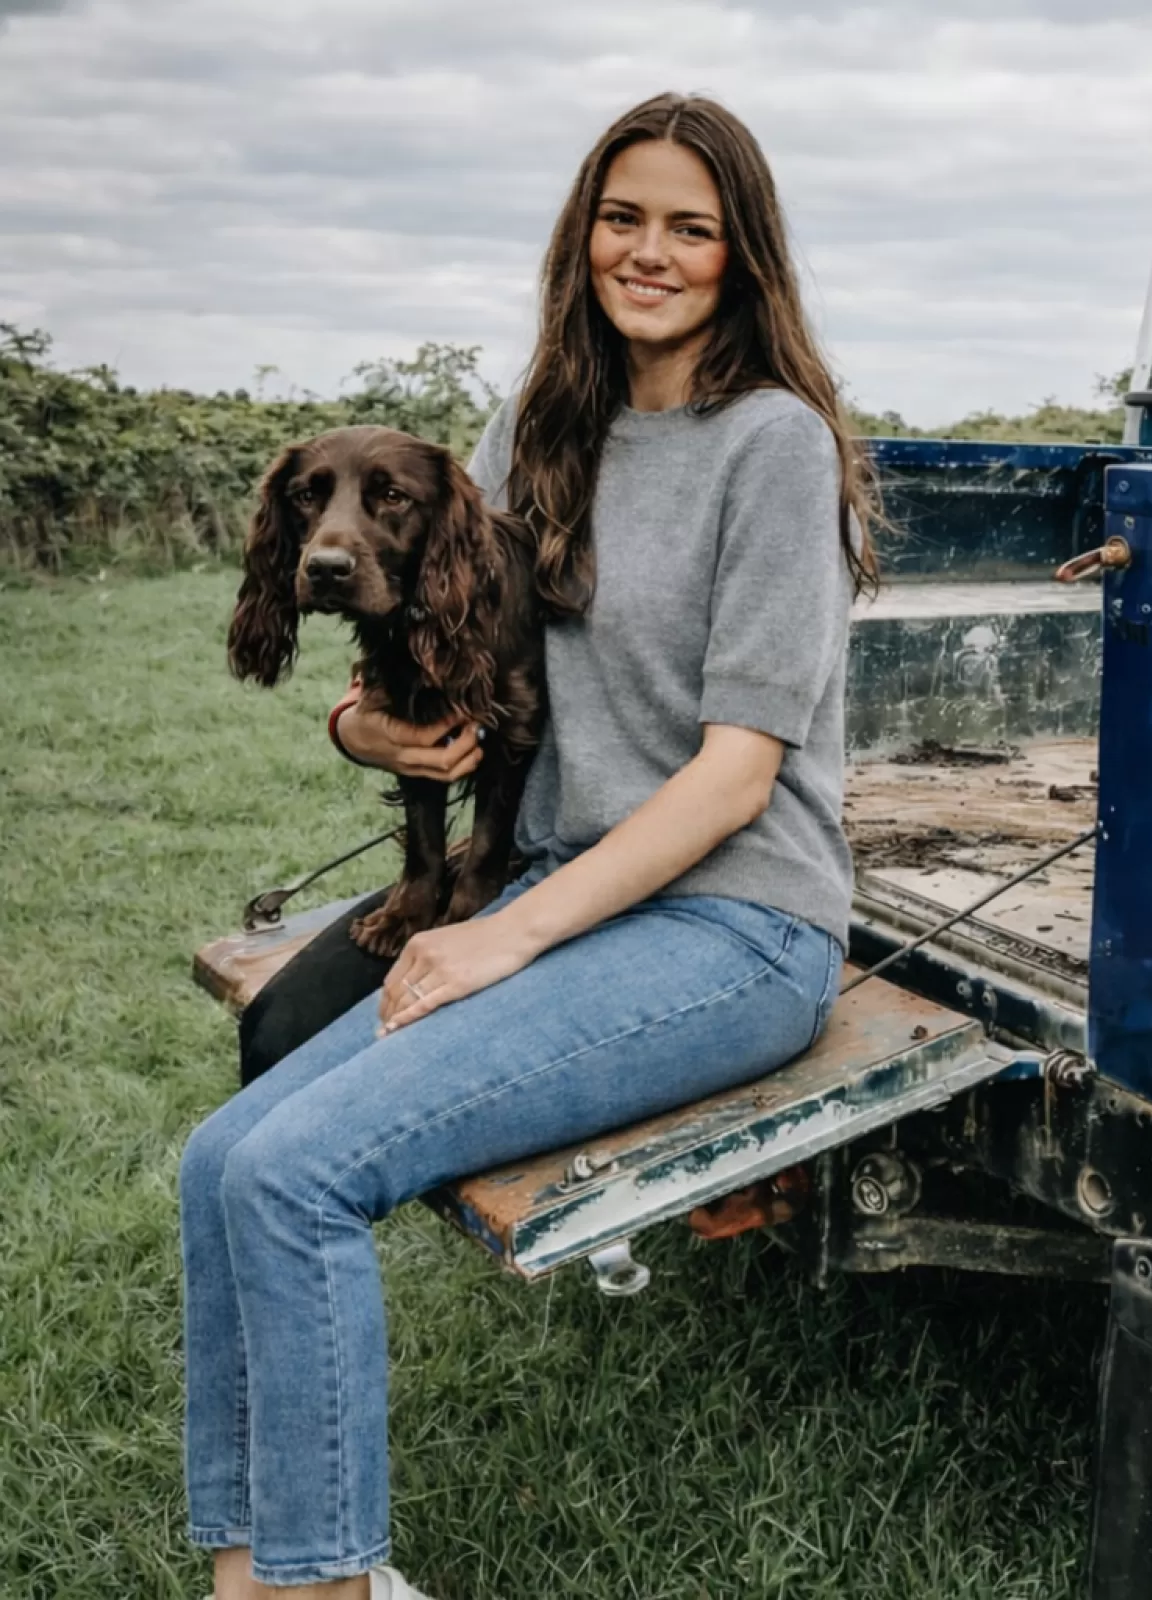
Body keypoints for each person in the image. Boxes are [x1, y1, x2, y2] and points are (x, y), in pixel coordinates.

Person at [180, 90, 879, 1600]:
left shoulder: (776, 448)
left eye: (692, 227)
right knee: (220, 1161)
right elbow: (447, 646)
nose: (652, 251)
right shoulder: (536, 428)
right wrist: (359, 734)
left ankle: (328, 1587)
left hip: (731, 927)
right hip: (558, 887)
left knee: (297, 1177)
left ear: (743, 255)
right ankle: (252, 1578)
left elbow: (737, 779)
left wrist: (501, 932)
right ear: (584, 236)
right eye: (624, 217)